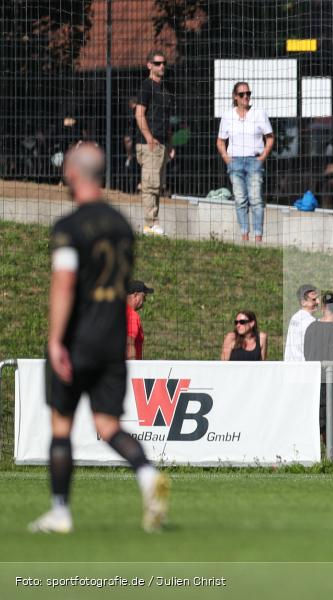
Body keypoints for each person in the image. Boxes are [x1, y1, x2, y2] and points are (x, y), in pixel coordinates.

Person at [30, 142, 169, 534]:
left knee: (62, 425)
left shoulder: (69, 227)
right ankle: (146, 475)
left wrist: (56, 340)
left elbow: (64, 284)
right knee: (108, 425)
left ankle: (60, 512)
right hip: (112, 341)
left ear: (72, 174)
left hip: (78, 339)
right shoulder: (123, 226)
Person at [216, 81, 274, 242]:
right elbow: (220, 141)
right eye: (242, 94)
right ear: (235, 97)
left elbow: (270, 138)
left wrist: (262, 157)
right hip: (235, 162)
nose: (246, 97)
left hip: (253, 160)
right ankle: (244, 236)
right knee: (240, 199)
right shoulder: (228, 116)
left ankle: (258, 238)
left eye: (248, 93)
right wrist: (227, 159)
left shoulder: (259, 113)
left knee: (256, 199)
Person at [134, 49, 175, 236]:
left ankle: (153, 224)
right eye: (158, 63)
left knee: (157, 185)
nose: (162, 66)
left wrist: (170, 144)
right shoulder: (146, 86)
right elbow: (139, 114)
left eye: (164, 63)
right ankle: (150, 224)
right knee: (150, 185)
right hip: (149, 143)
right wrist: (149, 138)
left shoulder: (165, 90)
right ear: (149, 65)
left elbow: (166, 121)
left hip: (162, 145)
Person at [304, 292, 333, 443]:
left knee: (316, 420)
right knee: (330, 422)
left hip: (313, 381)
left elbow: (306, 355)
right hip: (329, 382)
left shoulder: (311, 328)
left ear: (323, 307)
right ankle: (329, 457)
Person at [284, 284, 319, 361]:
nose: (318, 302)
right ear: (303, 302)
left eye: (317, 298)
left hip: (291, 367)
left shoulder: (294, 318)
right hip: (304, 368)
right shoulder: (312, 322)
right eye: (314, 299)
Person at [126, 280, 153, 359]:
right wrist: (133, 369)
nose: (144, 301)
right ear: (135, 295)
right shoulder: (131, 315)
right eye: (144, 297)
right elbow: (129, 343)